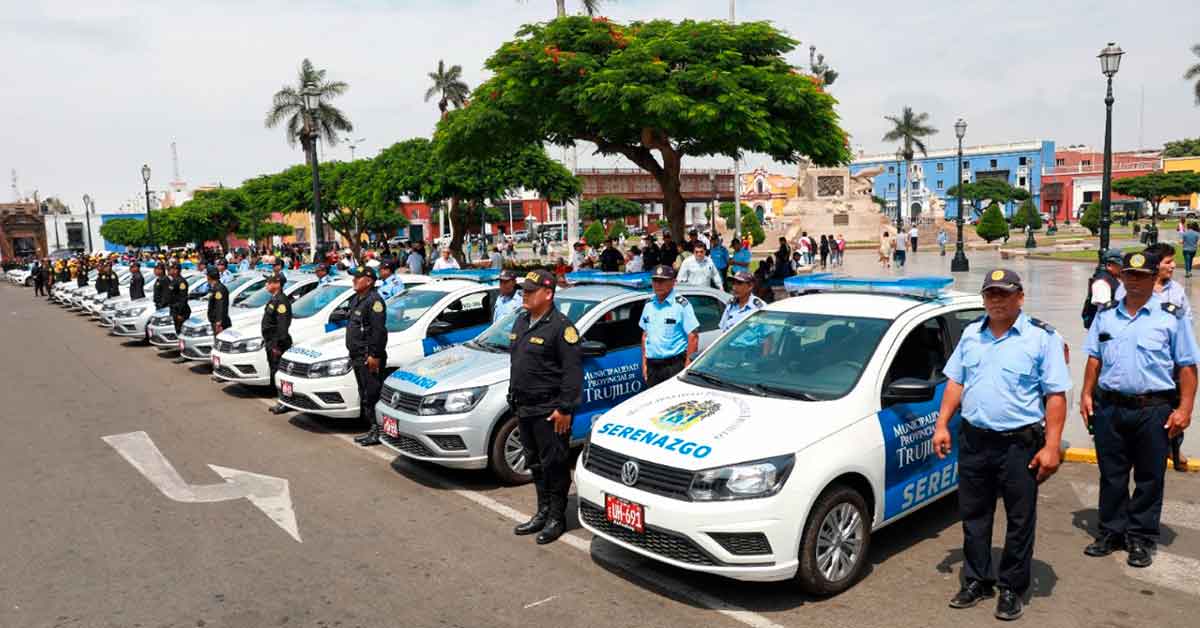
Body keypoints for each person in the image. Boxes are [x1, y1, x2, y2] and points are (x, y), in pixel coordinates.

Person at [933, 268, 1070, 621]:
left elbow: (1055, 396)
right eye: (990, 294)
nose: (996, 301)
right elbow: (955, 384)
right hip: (975, 440)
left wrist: (1052, 446)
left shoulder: (1041, 338)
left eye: (1003, 294)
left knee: (1019, 519)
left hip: (1020, 445)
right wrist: (942, 424)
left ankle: (1012, 587)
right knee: (974, 516)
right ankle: (976, 579)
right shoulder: (970, 336)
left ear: (1019, 297)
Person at [1081, 251, 1197, 567]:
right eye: (1129, 276)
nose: (1134, 281)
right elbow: (1094, 358)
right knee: (1112, 474)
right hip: (1110, 407)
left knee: (1149, 476)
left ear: (1152, 278)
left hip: (1154, 409)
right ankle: (1111, 532)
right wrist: (1085, 394)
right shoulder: (1105, 316)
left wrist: (1185, 408)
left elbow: (1187, 366)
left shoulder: (1171, 317)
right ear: (1122, 278)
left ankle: (1141, 538)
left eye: (1141, 276)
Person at [509, 269, 583, 545]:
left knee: (555, 465)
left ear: (548, 294)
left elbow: (573, 374)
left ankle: (556, 517)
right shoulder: (521, 321)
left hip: (550, 410)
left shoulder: (562, 328)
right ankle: (541, 512)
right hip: (524, 407)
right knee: (536, 464)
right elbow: (517, 363)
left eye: (530, 290)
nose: (524, 294)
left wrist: (565, 409)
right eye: (524, 290)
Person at [343, 267, 390, 446]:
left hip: (368, 356)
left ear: (369, 281)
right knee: (363, 393)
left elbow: (379, 332)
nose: (354, 280)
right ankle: (372, 428)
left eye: (358, 277)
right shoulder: (356, 299)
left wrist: (374, 355)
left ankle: (378, 432)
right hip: (357, 355)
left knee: (372, 394)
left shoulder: (374, 301)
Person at [640, 265, 700, 387]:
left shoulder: (681, 305)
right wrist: (644, 363)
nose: (658, 284)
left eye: (662, 281)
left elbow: (693, 336)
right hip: (653, 366)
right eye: (655, 281)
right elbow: (645, 336)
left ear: (673, 282)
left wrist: (687, 367)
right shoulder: (649, 305)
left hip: (673, 366)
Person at [261, 273, 293, 415]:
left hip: (276, 343)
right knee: (274, 370)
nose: (266, 284)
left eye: (269, 282)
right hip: (271, 341)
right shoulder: (274, 299)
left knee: (279, 372)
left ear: (277, 284)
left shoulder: (281, 301)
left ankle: (284, 401)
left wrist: (277, 345)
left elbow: (282, 326)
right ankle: (281, 399)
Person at [1083, 250, 1124, 329]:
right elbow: (1104, 310)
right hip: (1104, 327)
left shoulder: (1115, 278)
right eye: (1120, 266)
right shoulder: (1101, 282)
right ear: (1109, 265)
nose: (1123, 268)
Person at [166, 263, 191, 335]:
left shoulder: (181, 282)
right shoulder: (174, 280)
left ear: (176, 270)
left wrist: (180, 313)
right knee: (177, 331)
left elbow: (183, 298)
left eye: (171, 269)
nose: (169, 270)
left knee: (180, 331)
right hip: (174, 309)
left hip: (180, 311)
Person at [206, 268, 231, 335]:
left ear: (209, 277)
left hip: (220, 323)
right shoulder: (215, 288)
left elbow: (220, 305)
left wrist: (218, 322)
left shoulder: (219, 289)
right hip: (216, 321)